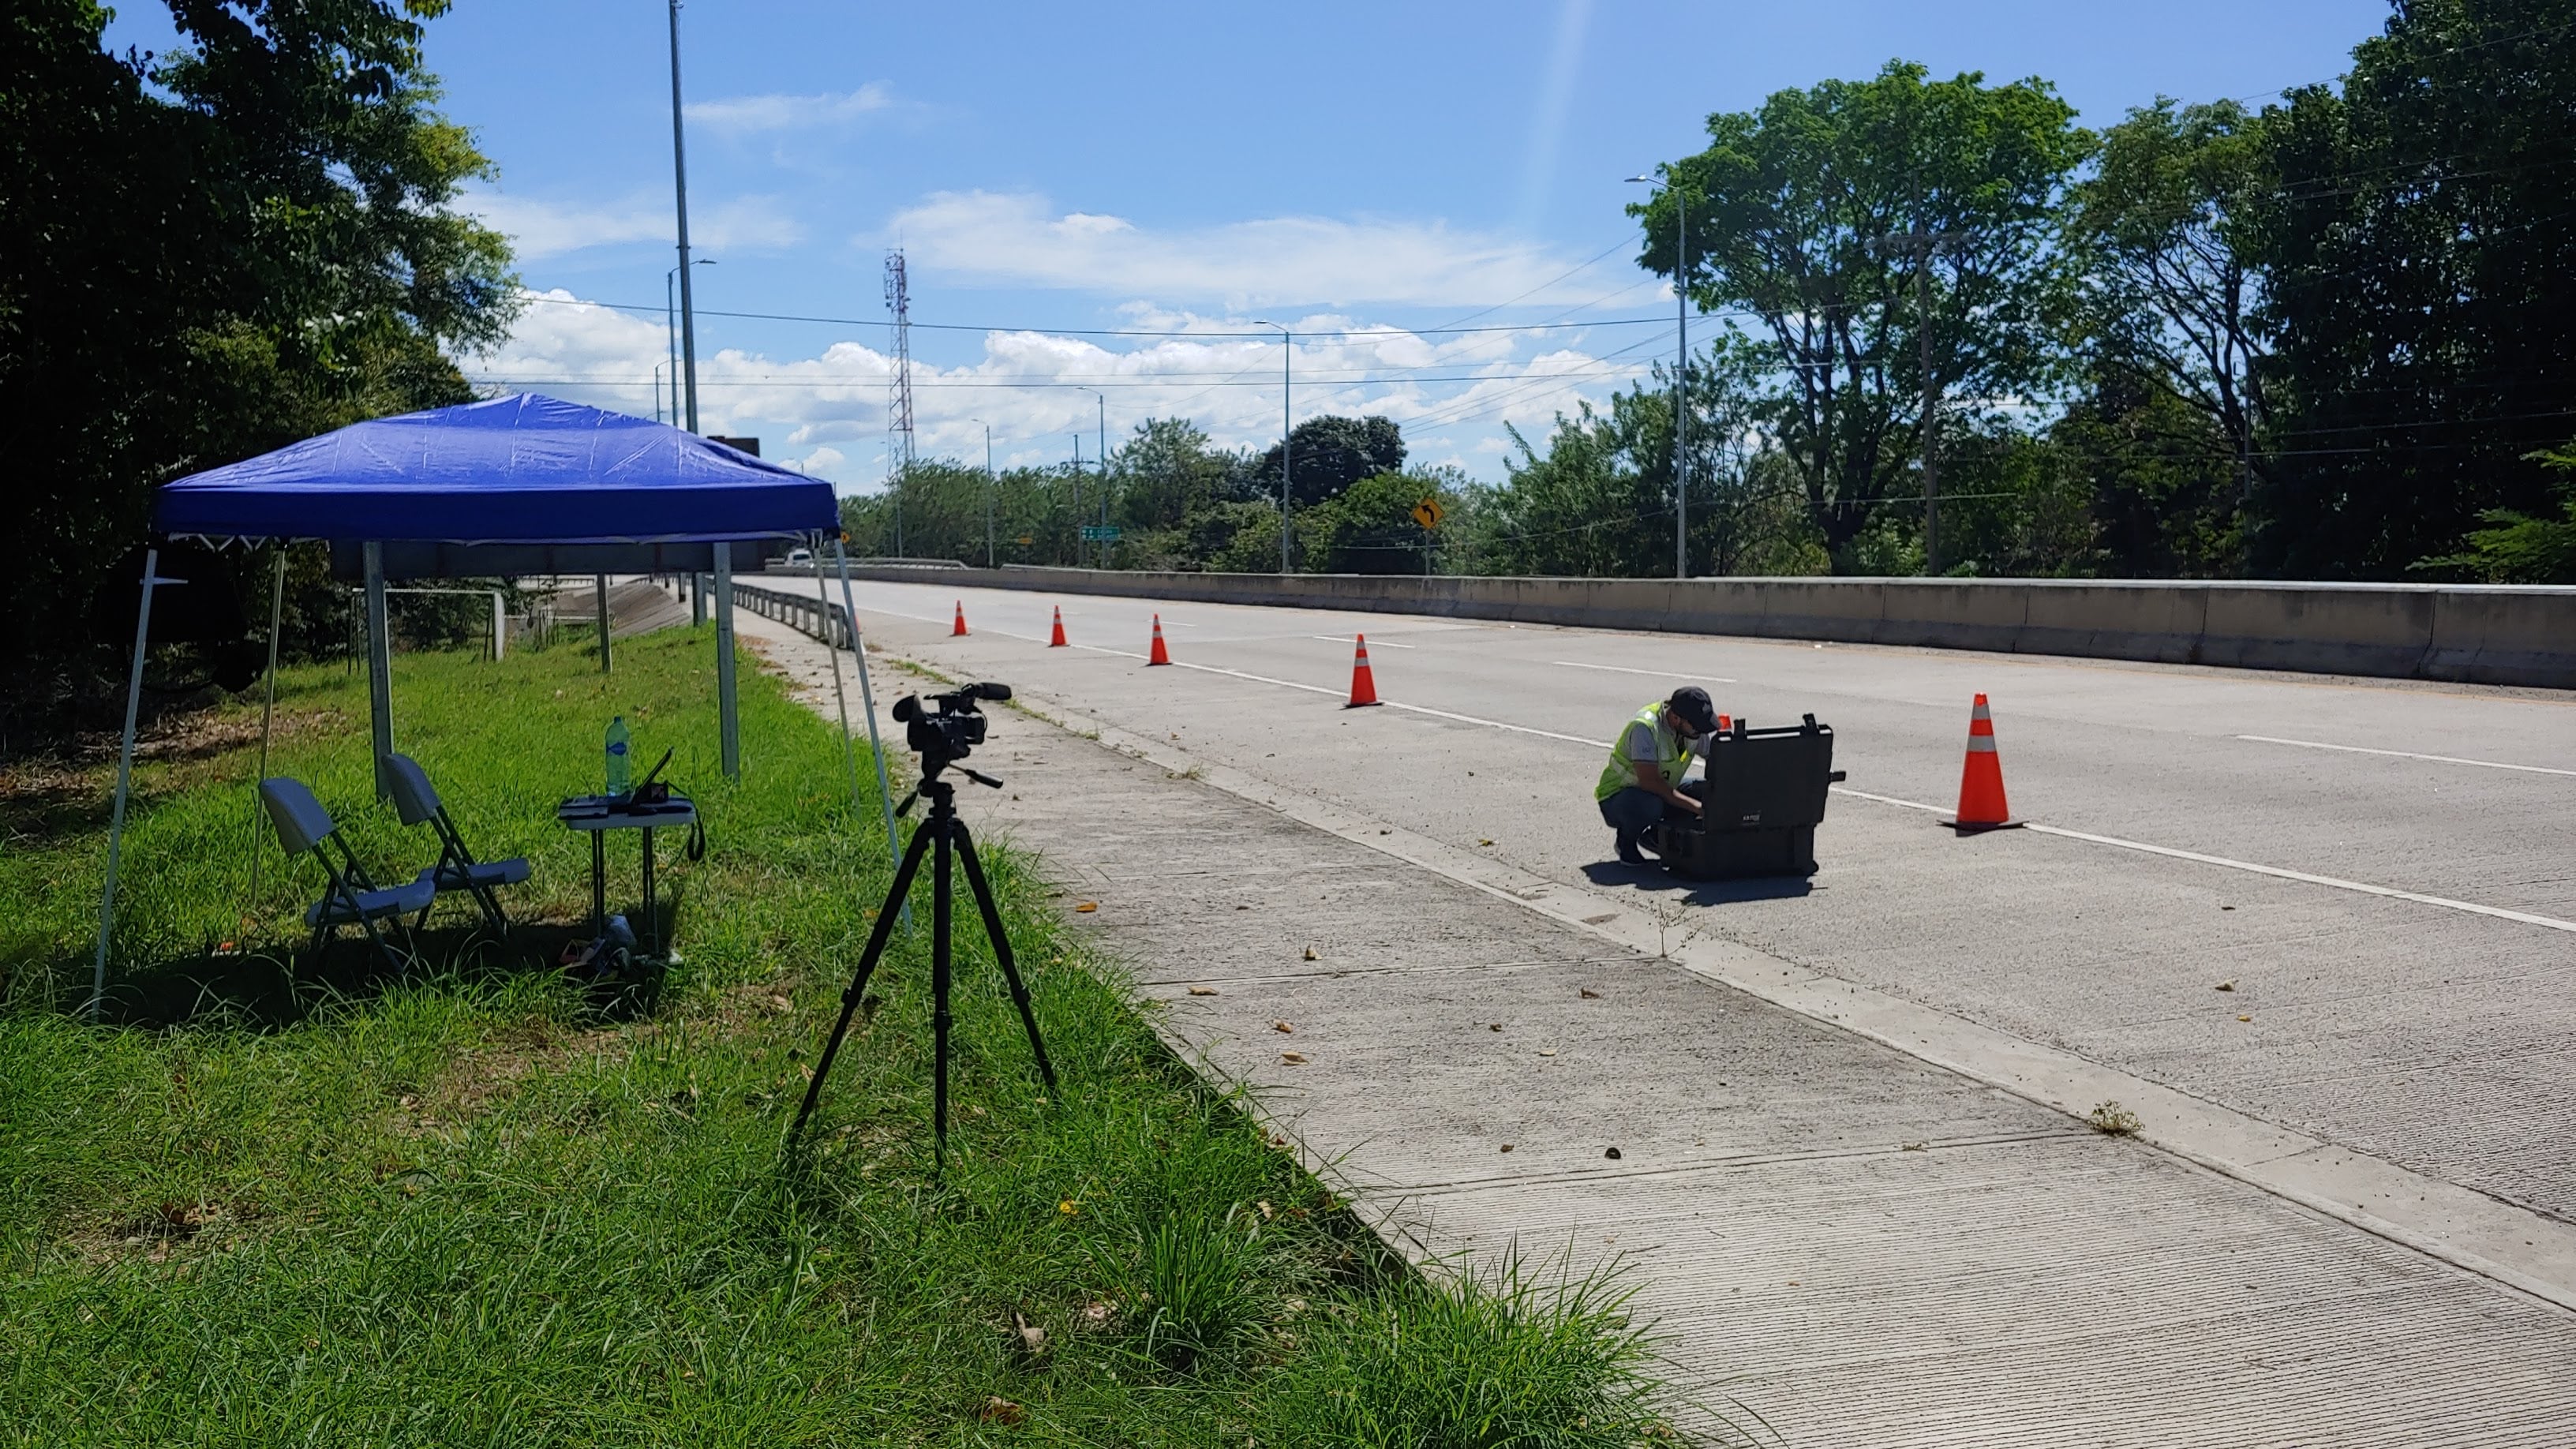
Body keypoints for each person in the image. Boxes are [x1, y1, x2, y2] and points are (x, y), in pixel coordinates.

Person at [1594, 686, 1719, 865]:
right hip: (1620, 797)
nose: (1700, 733)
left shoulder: (1692, 728)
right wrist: (1696, 807)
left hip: (1663, 787)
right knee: (1651, 806)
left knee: (1704, 790)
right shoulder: (1645, 728)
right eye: (1697, 729)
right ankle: (1626, 842)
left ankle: (1655, 837)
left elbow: (1715, 758)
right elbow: (1651, 782)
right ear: (1676, 718)